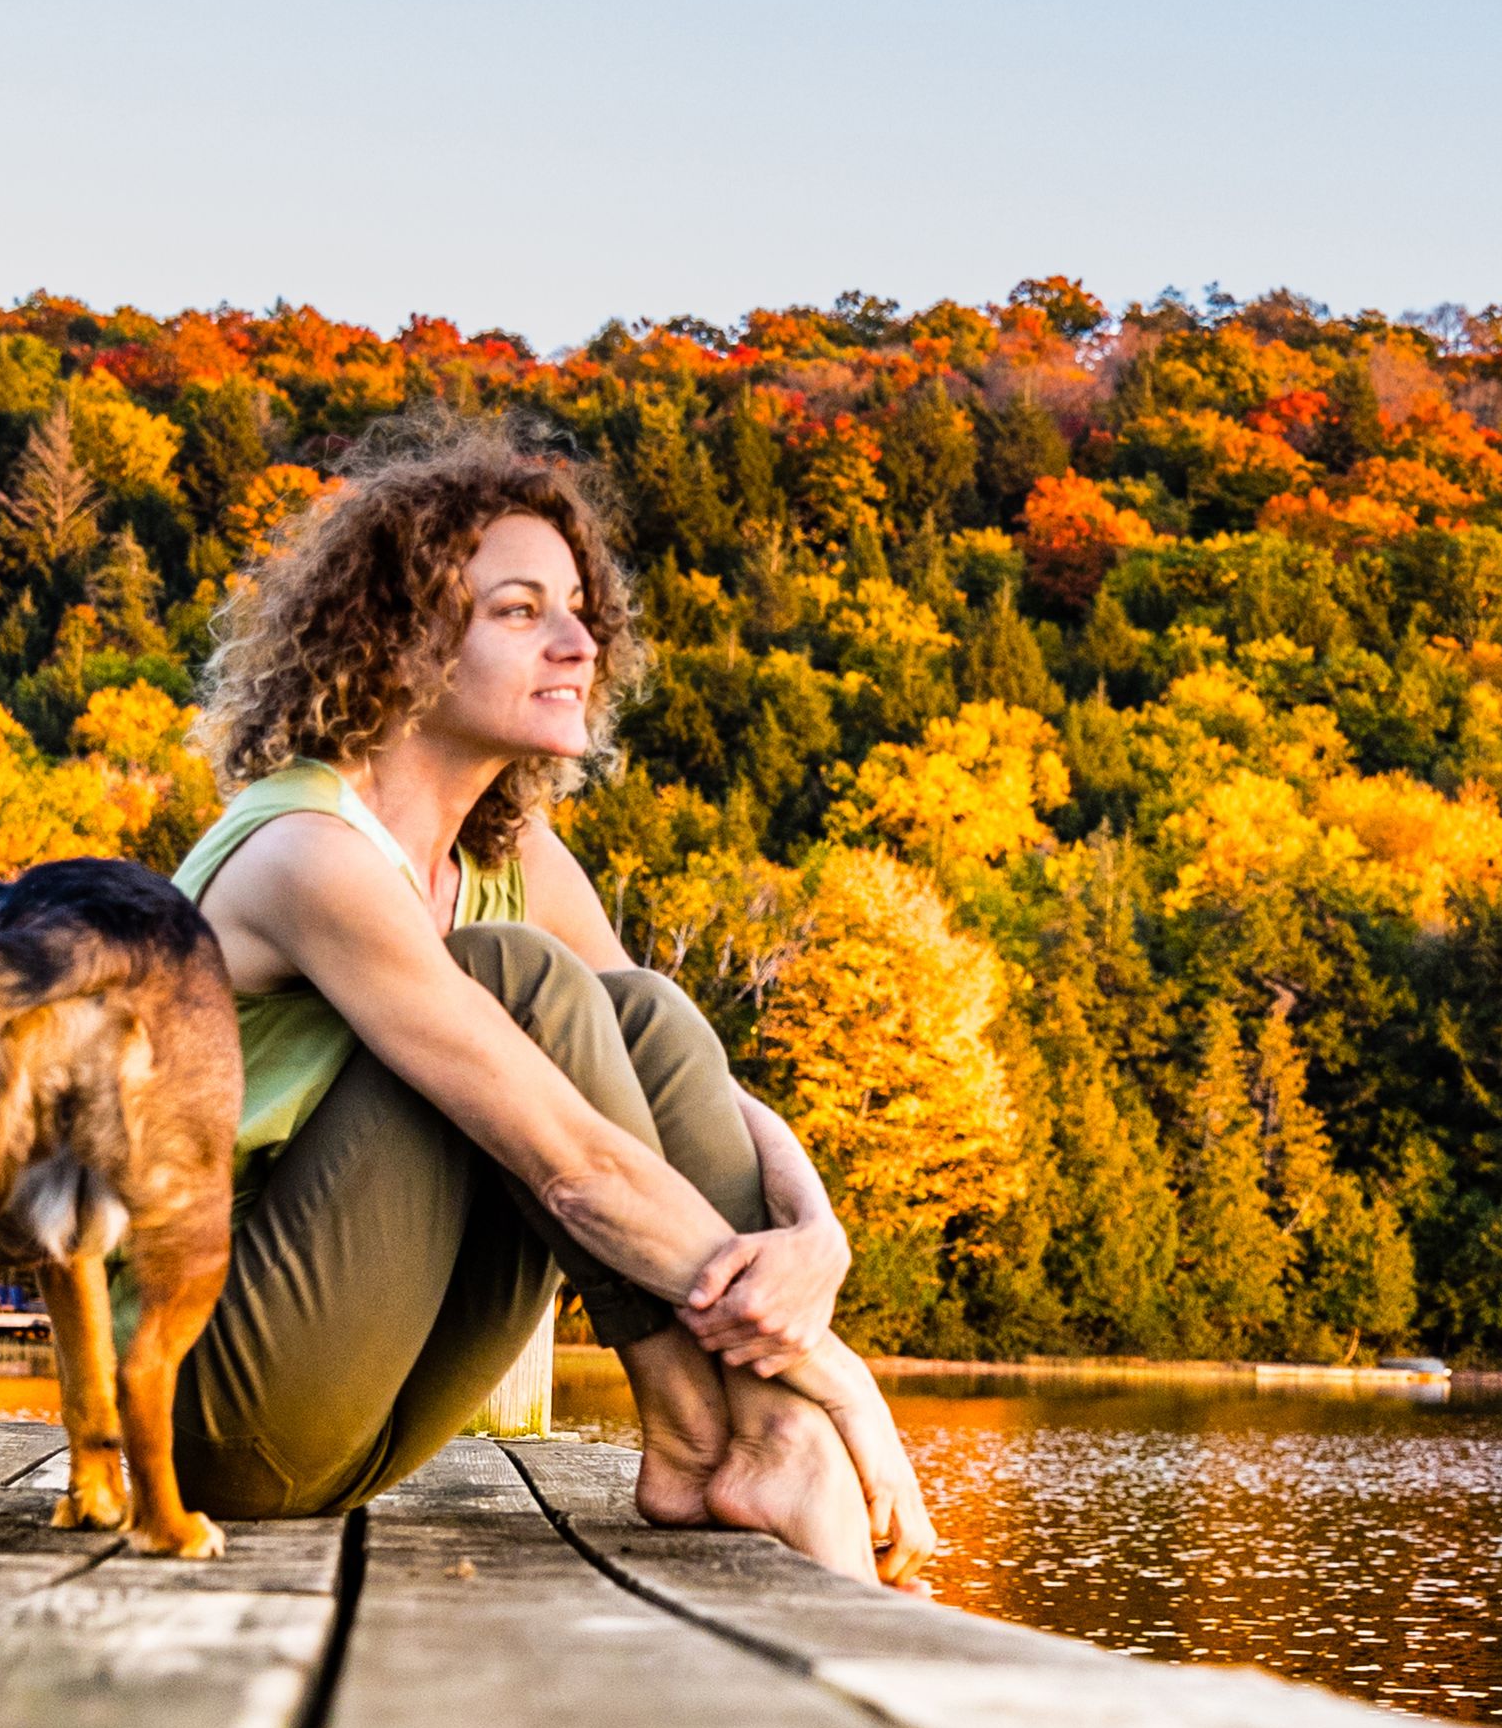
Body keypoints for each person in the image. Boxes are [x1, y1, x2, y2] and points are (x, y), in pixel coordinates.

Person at [162, 425, 934, 1581]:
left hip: (370, 1397)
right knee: (513, 981)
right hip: (209, 1406)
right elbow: (569, 1159)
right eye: (520, 611)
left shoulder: (510, 852)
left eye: (578, 609)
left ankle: (743, 1441)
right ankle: (733, 1424)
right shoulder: (306, 851)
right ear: (401, 641)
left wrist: (815, 1234)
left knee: (643, 1010)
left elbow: (684, 1086)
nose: (580, 642)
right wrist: (834, 1370)